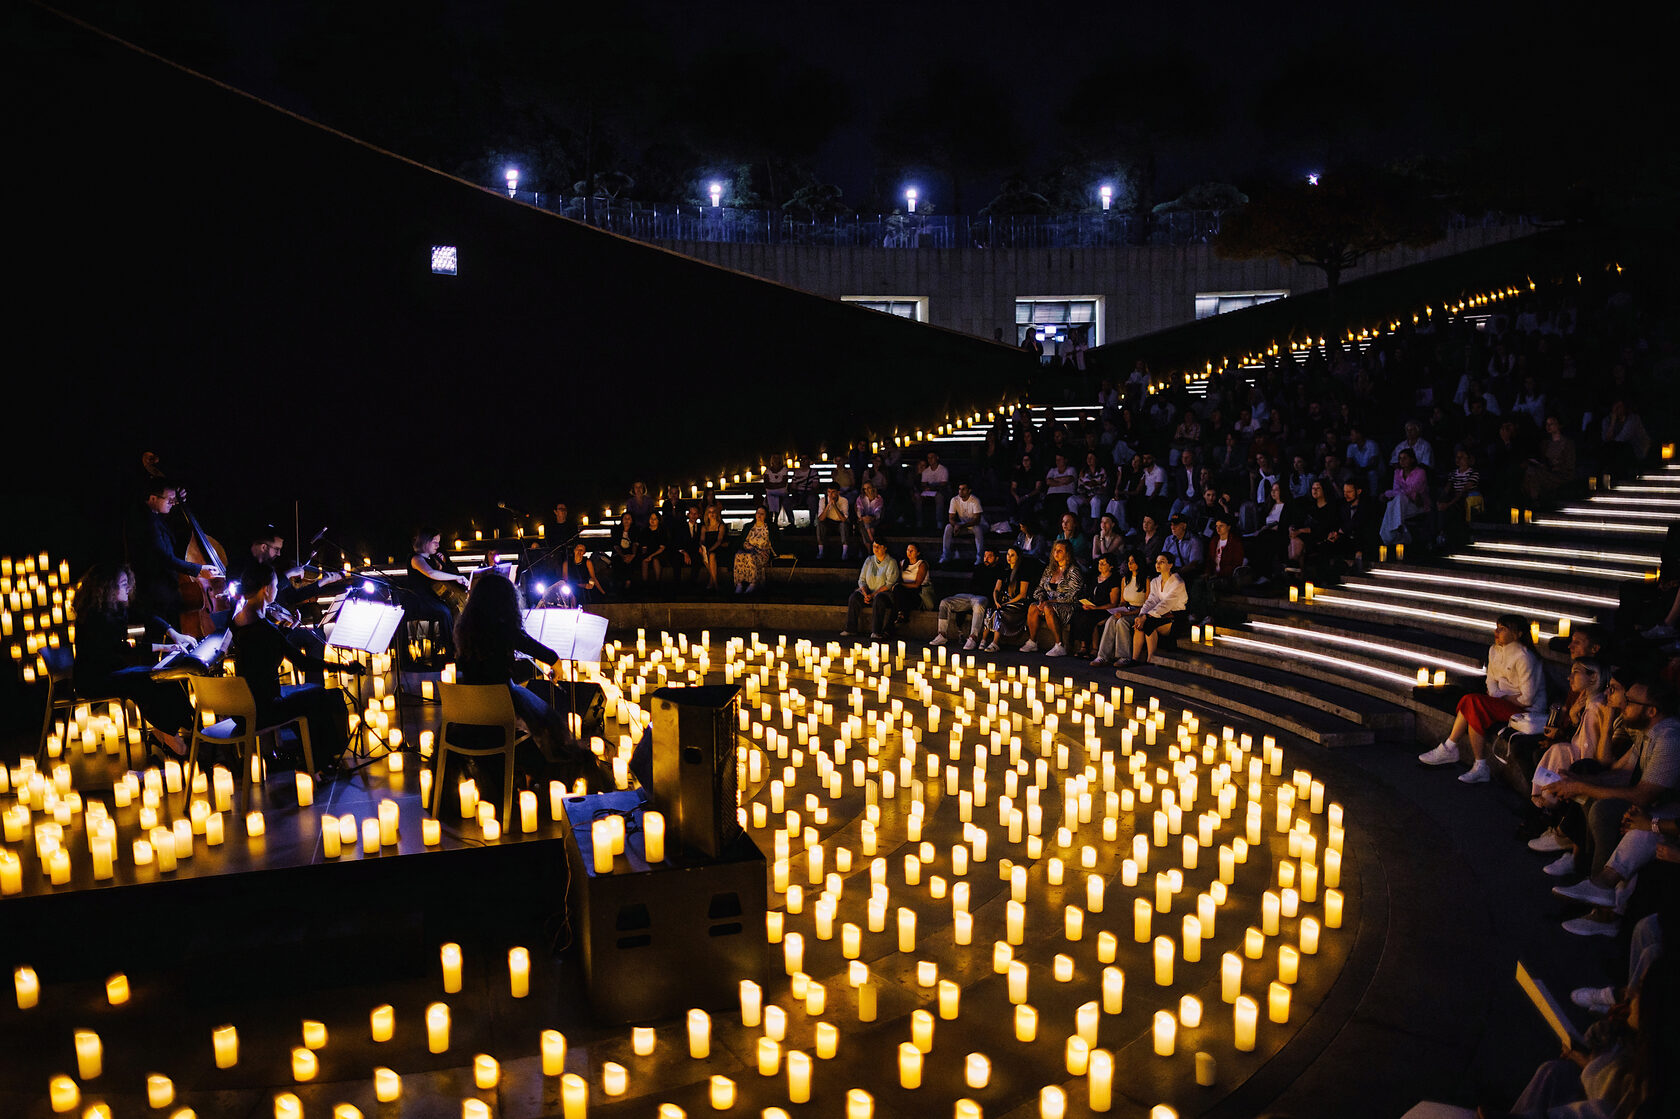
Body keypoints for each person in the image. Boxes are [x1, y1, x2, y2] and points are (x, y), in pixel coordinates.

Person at [451, 571, 613, 793]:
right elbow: (532, 646)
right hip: (499, 707)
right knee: (549, 729)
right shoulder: (504, 628)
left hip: (468, 711)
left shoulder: (463, 629)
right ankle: (541, 771)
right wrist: (556, 662)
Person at [1544, 678, 1678, 884]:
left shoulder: (1669, 737)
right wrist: (1580, 780)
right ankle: (1582, 868)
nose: (1624, 704)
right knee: (1587, 785)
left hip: (1666, 807)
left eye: (1631, 701)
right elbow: (1623, 774)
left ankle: (1598, 886)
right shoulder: (1647, 732)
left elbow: (1643, 794)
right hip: (1651, 801)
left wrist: (1580, 786)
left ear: (1651, 711)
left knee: (1603, 809)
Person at [230, 562, 358, 774]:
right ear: (266, 589)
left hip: (243, 706)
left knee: (311, 695)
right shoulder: (265, 628)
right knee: (320, 697)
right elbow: (303, 662)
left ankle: (313, 758)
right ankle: (320, 764)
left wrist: (285, 631)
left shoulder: (238, 619)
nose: (277, 590)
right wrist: (344, 667)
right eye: (275, 586)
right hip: (263, 709)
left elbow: (262, 650)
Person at [71, 563, 196, 759]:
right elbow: (120, 647)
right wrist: (164, 647)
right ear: (108, 589)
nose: (127, 588)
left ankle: (186, 726)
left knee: (161, 677)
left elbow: (148, 616)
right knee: (146, 680)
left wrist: (173, 633)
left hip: (114, 670)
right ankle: (172, 739)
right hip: (94, 679)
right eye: (122, 584)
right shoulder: (95, 617)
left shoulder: (116, 608)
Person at [1418, 614, 1547, 783]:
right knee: (1472, 705)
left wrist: (1500, 696)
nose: (1496, 631)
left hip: (1526, 710)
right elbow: (1490, 681)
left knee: (1471, 702)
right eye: (1497, 627)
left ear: (1518, 634)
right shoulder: (1493, 650)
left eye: (1503, 629)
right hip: (1506, 700)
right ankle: (1477, 764)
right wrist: (1502, 696)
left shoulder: (1525, 657)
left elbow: (1527, 699)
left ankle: (1451, 749)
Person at [128, 476, 219, 640]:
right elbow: (163, 557)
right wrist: (197, 569)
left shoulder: (154, 515)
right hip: (155, 592)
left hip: (164, 589)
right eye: (169, 500)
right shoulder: (144, 520)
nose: (173, 503)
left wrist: (176, 499)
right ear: (153, 498)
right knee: (160, 636)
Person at [406, 528, 466, 663]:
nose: (438, 546)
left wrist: (441, 566)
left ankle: (460, 648)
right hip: (420, 599)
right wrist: (456, 577)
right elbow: (431, 574)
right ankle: (450, 652)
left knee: (453, 609)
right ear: (425, 542)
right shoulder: (416, 559)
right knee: (444, 612)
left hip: (434, 596)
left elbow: (438, 574)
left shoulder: (432, 558)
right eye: (435, 542)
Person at [1118, 552, 1188, 669]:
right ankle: (1135, 658)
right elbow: (1151, 600)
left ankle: (1151, 658)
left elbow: (1166, 603)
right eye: (1157, 562)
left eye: (1162, 562)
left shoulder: (1177, 582)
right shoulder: (1155, 581)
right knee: (1140, 624)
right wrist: (1141, 615)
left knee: (1148, 623)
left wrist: (1146, 616)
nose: (1158, 564)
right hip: (1157, 614)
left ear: (1170, 565)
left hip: (1175, 616)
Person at [930, 549, 1006, 650]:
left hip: (983, 598)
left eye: (989, 556)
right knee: (945, 602)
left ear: (996, 558)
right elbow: (972, 585)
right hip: (969, 595)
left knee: (979, 604)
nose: (986, 559)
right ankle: (942, 635)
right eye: (985, 556)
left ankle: (972, 638)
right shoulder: (979, 568)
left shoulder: (1000, 570)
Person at [1020, 540, 1085, 657]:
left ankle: (1059, 645)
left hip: (1068, 606)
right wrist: (1041, 599)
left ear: (1067, 553)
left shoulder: (1073, 571)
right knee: (1033, 607)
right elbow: (1040, 588)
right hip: (1048, 603)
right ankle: (1032, 641)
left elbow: (1073, 595)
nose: (1056, 553)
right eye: (1055, 550)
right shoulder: (1050, 569)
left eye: (1060, 551)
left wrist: (1050, 602)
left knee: (1048, 608)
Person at [1091, 551, 1152, 666]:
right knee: (1110, 621)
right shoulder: (1125, 579)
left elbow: (1147, 605)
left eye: (1133, 562)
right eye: (1128, 562)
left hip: (1139, 611)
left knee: (1122, 622)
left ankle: (1124, 656)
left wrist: (1127, 614)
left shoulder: (1146, 580)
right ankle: (1103, 656)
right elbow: (1122, 601)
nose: (1130, 564)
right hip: (1127, 608)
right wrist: (1119, 610)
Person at [981, 546, 1037, 652]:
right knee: (990, 610)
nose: (1009, 557)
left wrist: (1008, 602)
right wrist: (996, 601)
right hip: (1003, 601)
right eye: (1008, 554)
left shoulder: (1023, 572)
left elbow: (1022, 594)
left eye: (1012, 555)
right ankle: (983, 640)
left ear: (1018, 557)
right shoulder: (1004, 570)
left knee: (999, 612)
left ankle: (995, 643)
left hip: (1017, 603)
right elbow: (996, 589)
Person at [843, 539, 900, 639]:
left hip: (884, 593)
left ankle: (876, 631)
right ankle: (851, 629)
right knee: (854, 597)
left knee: (879, 600)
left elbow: (889, 584)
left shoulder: (891, 562)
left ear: (885, 548)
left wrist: (873, 595)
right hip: (868, 592)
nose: (876, 549)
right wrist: (865, 594)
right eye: (874, 546)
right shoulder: (869, 560)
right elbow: (862, 580)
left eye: (878, 546)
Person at [1071, 553, 1122, 656]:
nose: (1100, 565)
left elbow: (1113, 603)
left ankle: (1095, 648)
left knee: (1091, 618)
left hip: (1104, 609)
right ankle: (1083, 646)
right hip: (1092, 607)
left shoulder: (1114, 581)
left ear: (1111, 566)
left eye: (1103, 563)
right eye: (1099, 563)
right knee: (1079, 613)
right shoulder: (1094, 578)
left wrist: (1096, 608)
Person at [1378, 447, 1431, 545]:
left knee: (1399, 498)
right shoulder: (1397, 473)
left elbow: (1412, 490)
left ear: (1412, 459)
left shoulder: (1420, 472)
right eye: (1400, 458)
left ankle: (1396, 533)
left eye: (1405, 458)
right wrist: (1394, 493)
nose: (1401, 461)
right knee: (1393, 503)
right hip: (1402, 506)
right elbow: (1396, 490)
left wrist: (1386, 494)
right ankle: (1391, 536)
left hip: (1417, 505)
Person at [732, 506, 775, 595]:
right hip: (749, 551)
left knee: (750, 557)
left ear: (766, 516)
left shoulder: (768, 528)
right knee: (739, 555)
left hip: (762, 554)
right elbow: (743, 541)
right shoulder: (749, 526)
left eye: (762, 514)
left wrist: (759, 551)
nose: (759, 516)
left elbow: (771, 543)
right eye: (758, 513)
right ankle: (739, 584)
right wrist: (749, 547)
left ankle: (753, 583)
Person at [942, 482, 985, 564]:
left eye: (963, 489)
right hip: (964, 526)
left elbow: (977, 520)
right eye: (959, 489)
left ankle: (980, 557)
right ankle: (945, 555)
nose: (960, 491)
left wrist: (960, 526)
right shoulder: (954, 500)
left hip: (979, 525)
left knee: (977, 528)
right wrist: (956, 525)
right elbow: (951, 518)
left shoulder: (975, 500)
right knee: (948, 527)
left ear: (969, 491)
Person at [696, 505, 729, 592]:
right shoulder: (704, 527)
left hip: (718, 548)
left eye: (713, 511)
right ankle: (714, 582)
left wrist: (710, 550)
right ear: (707, 514)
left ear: (717, 513)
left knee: (711, 555)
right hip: (708, 548)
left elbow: (719, 540)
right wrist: (702, 547)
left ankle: (714, 583)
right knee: (704, 554)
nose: (712, 514)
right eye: (709, 512)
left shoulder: (721, 526)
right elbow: (702, 540)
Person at [815, 485, 851, 560]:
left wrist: (835, 506)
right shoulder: (823, 500)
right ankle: (820, 551)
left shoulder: (844, 500)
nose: (830, 495)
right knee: (819, 524)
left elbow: (843, 519)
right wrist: (828, 506)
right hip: (828, 522)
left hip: (839, 522)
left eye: (833, 492)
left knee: (844, 525)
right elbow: (821, 518)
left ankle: (844, 553)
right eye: (829, 492)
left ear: (838, 492)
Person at [915, 452, 950, 529]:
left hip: (940, 491)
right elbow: (923, 483)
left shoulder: (943, 469)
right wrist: (926, 488)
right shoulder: (926, 471)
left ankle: (939, 522)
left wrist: (932, 487)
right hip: (929, 491)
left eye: (932, 457)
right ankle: (919, 521)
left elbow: (943, 484)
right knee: (917, 497)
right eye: (928, 458)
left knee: (939, 497)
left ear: (937, 458)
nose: (930, 459)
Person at [897, 543, 933, 616]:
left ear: (918, 553)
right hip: (905, 590)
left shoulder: (922, 564)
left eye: (912, 550)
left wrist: (901, 584)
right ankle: (901, 613)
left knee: (902, 591)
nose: (909, 552)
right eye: (908, 550)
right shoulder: (903, 563)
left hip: (918, 591)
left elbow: (917, 584)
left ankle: (903, 614)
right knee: (897, 590)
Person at [636, 510, 669, 585]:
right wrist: (646, 556)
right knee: (644, 560)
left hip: (659, 553)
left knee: (655, 560)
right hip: (648, 552)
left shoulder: (662, 531)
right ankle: (645, 584)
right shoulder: (645, 530)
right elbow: (643, 546)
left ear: (658, 520)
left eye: (655, 519)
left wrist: (651, 556)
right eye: (651, 518)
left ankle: (658, 583)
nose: (652, 520)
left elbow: (662, 548)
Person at [855, 481, 885, 551]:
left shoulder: (879, 498)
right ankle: (872, 542)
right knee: (864, 525)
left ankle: (869, 550)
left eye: (868, 488)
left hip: (875, 519)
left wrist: (872, 518)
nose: (867, 490)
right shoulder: (861, 498)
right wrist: (863, 517)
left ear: (873, 488)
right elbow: (859, 510)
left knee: (866, 525)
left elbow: (878, 511)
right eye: (865, 489)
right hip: (863, 518)